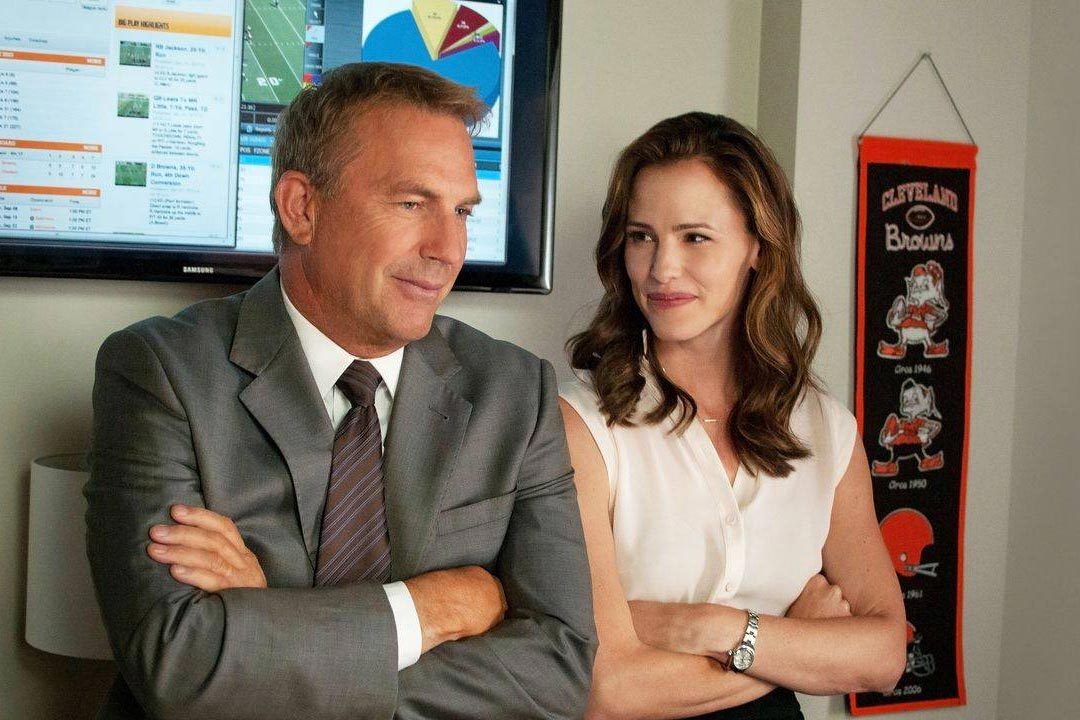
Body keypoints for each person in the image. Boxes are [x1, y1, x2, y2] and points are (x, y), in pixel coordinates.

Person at [85, 62, 595, 720]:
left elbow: (561, 668)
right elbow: (179, 664)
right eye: (412, 203)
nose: (448, 248)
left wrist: (272, 624)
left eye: (462, 210)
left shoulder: (516, 392)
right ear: (303, 207)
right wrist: (431, 608)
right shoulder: (159, 372)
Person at [560, 112, 906, 719]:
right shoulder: (581, 423)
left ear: (756, 247)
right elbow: (606, 691)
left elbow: (882, 656)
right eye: (642, 236)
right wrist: (791, 642)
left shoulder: (827, 430)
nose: (661, 268)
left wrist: (713, 628)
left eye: (695, 237)